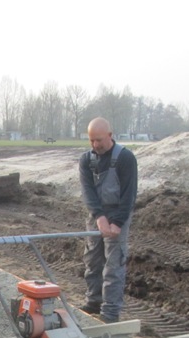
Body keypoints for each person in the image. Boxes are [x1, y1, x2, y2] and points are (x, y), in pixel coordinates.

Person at [79, 117, 138, 323]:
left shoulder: (125, 158)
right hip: (96, 214)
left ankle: (110, 312)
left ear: (110, 136)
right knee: (92, 261)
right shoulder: (87, 160)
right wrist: (99, 216)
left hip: (118, 213)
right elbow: (88, 192)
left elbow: (129, 195)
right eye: (91, 141)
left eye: (99, 141)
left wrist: (117, 223)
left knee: (113, 265)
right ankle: (93, 301)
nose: (95, 145)